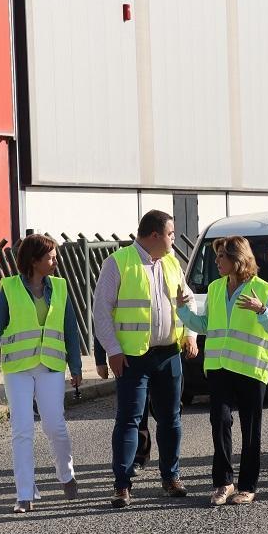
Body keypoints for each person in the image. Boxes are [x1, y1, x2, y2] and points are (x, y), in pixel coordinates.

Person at [93, 210, 197, 508]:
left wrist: (189, 334)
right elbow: (101, 311)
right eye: (171, 234)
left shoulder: (172, 263)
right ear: (154, 235)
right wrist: (112, 350)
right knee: (129, 419)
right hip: (132, 357)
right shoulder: (118, 263)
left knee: (170, 419)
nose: (174, 239)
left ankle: (171, 477)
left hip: (168, 354)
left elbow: (186, 301)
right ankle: (122, 485)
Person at [0, 234, 81, 513]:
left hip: (50, 366)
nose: (55, 261)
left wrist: (77, 366)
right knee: (21, 430)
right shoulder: (9, 288)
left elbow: (71, 329)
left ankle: (66, 474)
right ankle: (24, 493)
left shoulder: (60, 287)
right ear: (34, 261)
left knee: (54, 426)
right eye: (50, 257)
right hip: (18, 369)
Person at [177, 236, 268, 505]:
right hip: (219, 367)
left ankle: (247, 486)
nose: (217, 261)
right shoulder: (214, 288)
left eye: (221, 256)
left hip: (249, 368)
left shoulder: (262, 289)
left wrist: (261, 310)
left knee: (250, 428)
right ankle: (224, 482)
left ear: (238, 258)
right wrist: (182, 310)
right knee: (219, 421)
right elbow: (205, 325)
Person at [93, 337, 152, 475]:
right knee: (135, 412)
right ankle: (138, 457)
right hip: (130, 357)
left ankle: (169, 467)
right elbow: (103, 322)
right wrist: (100, 360)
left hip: (165, 356)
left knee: (168, 416)